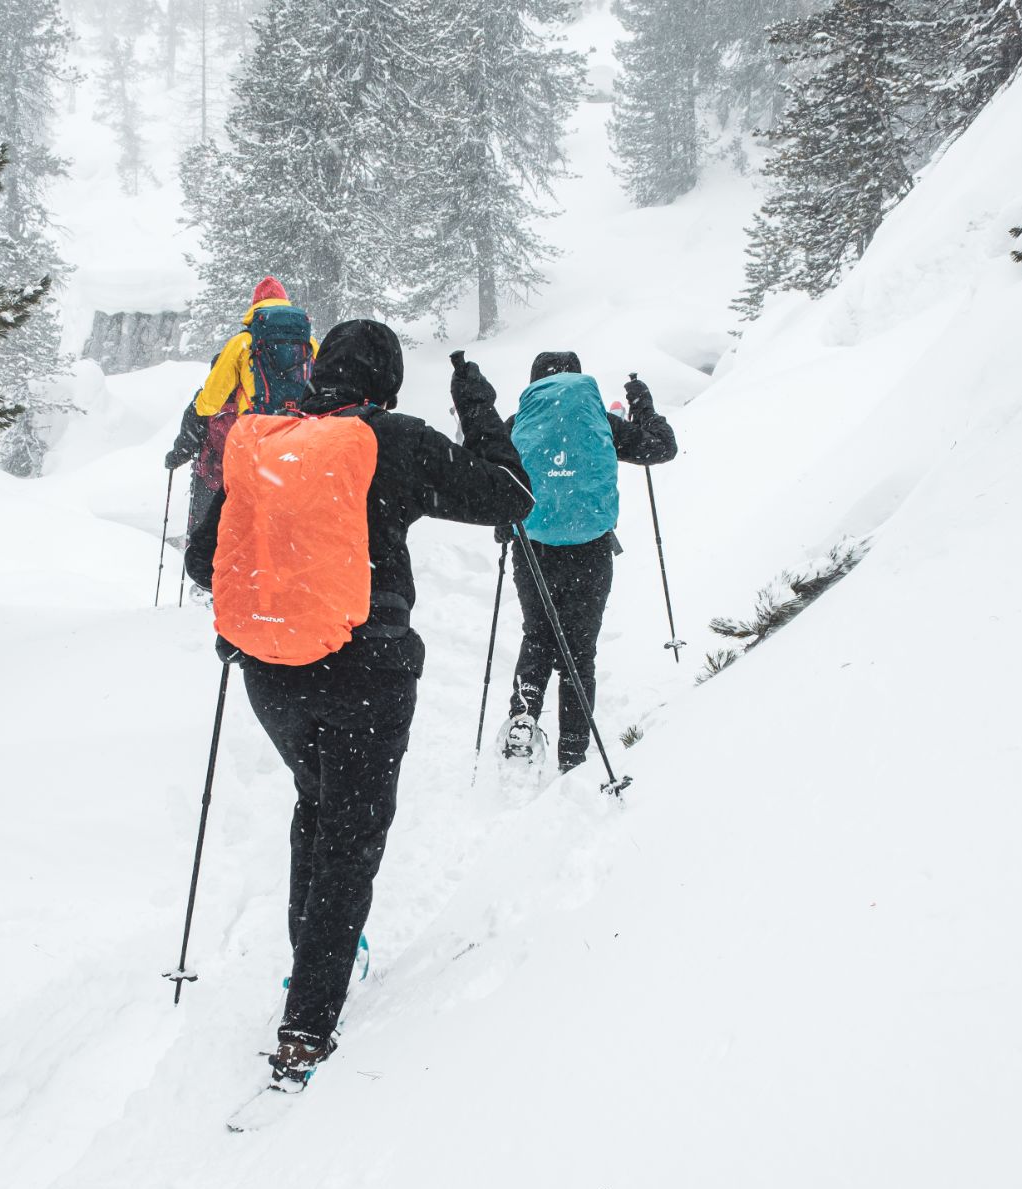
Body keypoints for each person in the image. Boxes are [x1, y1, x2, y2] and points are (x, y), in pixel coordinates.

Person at [185, 321, 532, 1086]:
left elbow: (204, 562)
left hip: (272, 672)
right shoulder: (391, 439)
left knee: (317, 804)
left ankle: (312, 958)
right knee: (350, 836)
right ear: (388, 381)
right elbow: (510, 498)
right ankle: (307, 1027)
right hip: (365, 670)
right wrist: (477, 409)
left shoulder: (267, 440)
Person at [498, 351, 677, 773]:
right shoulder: (600, 421)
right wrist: (643, 407)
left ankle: (524, 714)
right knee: (579, 652)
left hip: (533, 548)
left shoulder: (519, 423)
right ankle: (573, 755)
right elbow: (662, 449)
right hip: (590, 550)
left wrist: (504, 523)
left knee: (538, 635)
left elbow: (493, 476)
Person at [164, 277, 317, 542]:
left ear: (255, 306)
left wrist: (199, 407)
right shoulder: (310, 343)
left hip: (255, 437)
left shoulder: (244, 342)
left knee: (242, 511)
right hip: (298, 439)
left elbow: (211, 400)